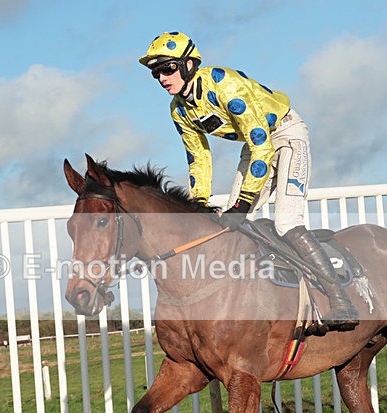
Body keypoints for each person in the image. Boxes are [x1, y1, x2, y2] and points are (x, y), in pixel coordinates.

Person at [139, 31, 358, 331]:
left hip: (286, 134)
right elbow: (199, 158)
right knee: (231, 228)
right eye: (156, 73)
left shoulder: (224, 84)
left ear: (189, 64)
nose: (162, 78)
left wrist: (242, 203)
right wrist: (199, 203)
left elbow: (262, 147)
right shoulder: (178, 109)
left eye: (167, 68)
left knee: (286, 222)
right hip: (257, 146)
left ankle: (341, 300)